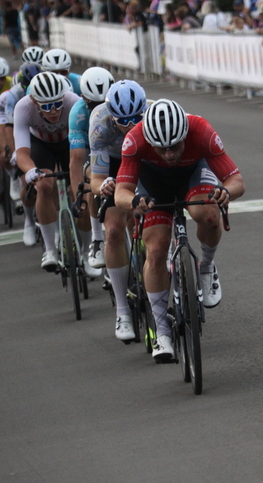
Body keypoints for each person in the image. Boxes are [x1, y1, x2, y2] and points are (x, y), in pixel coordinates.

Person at [114, 99, 245, 360]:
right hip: (153, 182)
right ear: (149, 140)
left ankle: (206, 266)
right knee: (156, 249)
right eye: (161, 148)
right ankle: (162, 332)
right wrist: (134, 201)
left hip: (193, 174)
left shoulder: (202, 131)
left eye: (175, 146)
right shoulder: (134, 139)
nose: (169, 154)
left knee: (207, 214)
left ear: (185, 134)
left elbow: (236, 181)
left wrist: (225, 192)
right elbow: (121, 192)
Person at [88, 80, 147, 342]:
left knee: (149, 215)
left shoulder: (153, 116)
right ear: (112, 115)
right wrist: (104, 186)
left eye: (136, 118)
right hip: (114, 163)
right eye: (123, 121)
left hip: (144, 158)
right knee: (113, 230)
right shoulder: (100, 123)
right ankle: (122, 310)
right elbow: (96, 179)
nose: (130, 125)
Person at [13, 72, 81, 270]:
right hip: (41, 144)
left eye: (57, 104)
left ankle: (87, 249)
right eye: (46, 106)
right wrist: (31, 170)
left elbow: (85, 145)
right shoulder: (23, 107)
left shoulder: (73, 102)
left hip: (69, 141)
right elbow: (22, 153)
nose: (53, 111)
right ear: (35, 102)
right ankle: (50, 249)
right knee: (43, 186)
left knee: (80, 188)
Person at [68, 66, 116, 280]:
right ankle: (97, 239)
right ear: (84, 99)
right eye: (94, 105)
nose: (100, 110)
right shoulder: (77, 113)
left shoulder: (121, 101)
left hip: (117, 147)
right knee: (90, 180)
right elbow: (76, 159)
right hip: (93, 150)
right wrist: (78, 196)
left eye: (105, 103)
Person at [0, 62, 43, 245]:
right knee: (27, 181)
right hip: (21, 130)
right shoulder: (13, 95)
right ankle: (29, 221)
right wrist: (13, 150)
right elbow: (9, 126)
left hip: (41, 132)